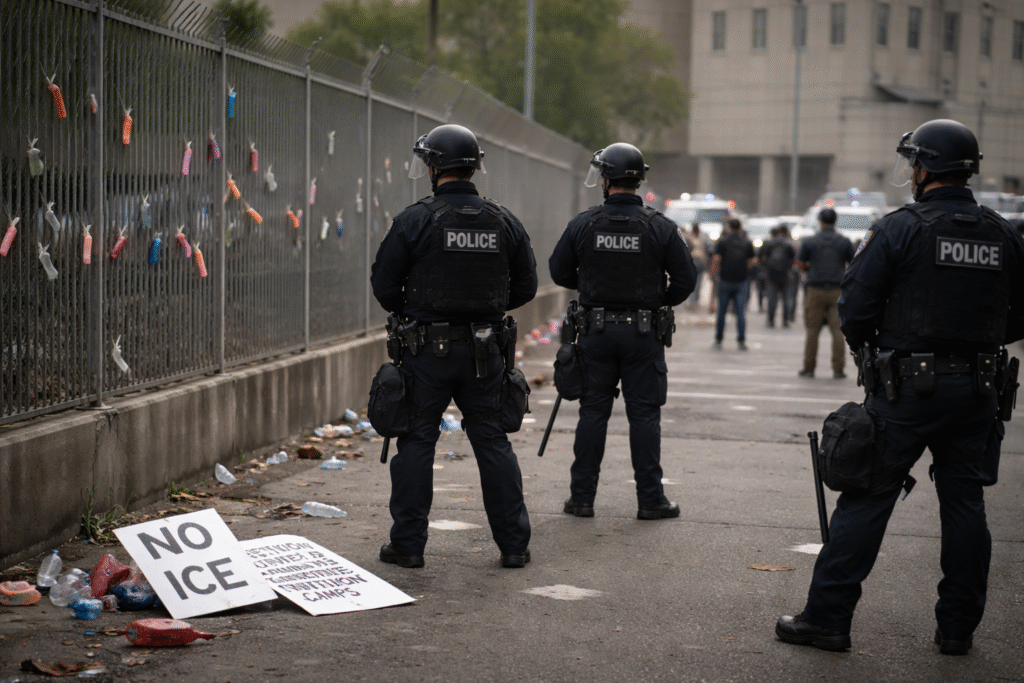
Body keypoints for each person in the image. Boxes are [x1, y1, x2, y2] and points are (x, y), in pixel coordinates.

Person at [776, 119, 1024, 654]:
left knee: (866, 499)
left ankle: (828, 618)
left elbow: (856, 307)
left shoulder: (900, 227)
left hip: (907, 388)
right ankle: (957, 629)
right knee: (965, 505)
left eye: (913, 162)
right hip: (979, 389)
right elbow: (1019, 318)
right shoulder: (1003, 233)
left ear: (925, 166)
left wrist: (890, 348)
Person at [370, 124, 538, 569]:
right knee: (492, 441)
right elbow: (525, 287)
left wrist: (421, 310)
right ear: (473, 167)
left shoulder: (415, 219)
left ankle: (407, 546)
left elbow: (384, 287)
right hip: (486, 352)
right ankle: (514, 546)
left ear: (433, 166)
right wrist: (484, 308)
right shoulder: (504, 221)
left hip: (427, 350)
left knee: (417, 441)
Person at [549, 143, 696, 520]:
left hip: (595, 333)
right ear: (638, 180)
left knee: (593, 413)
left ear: (606, 179)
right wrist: (655, 299)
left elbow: (559, 271)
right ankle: (650, 501)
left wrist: (592, 285)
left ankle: (581, 498)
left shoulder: (584, 223)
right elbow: (685, 279)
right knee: (644, 416)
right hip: (643, 334)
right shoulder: (660, 226)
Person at [796, 208, 855, 378]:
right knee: (837, 331)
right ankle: (838, 369)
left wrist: (810, 268)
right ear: (835, 221)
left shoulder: (810, 241)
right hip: (837, 289)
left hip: (815, 289)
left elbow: (800, 264)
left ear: (820, 221)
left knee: (812, 330)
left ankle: (809, 367)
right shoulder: (844, 241)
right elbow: (852, 264)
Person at [709, 217, 756, 350]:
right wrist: (746, 270)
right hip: (741, 281)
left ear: (729, 228)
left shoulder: (723, 242)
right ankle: (741, 340)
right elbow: (753, 261)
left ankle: (719, 339)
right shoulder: (746, 242)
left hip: (725, 281)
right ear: (740, 228)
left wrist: (713, 275)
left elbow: (716, 259)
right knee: (741, 312)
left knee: (722, 312)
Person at [759, 225, 797, 328]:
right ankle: (785, 320)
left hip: (772, 274)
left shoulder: (769, 243)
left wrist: (764, 269)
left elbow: (762, 257)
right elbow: (793, 258)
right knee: (786, 298)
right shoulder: (788, 244)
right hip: (785, 274)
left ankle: (771, 320)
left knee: (772, 299)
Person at [684, 223, 708, 310]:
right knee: (692, 283)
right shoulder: (689, 238)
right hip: (692, 261)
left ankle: (695, 301)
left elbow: (705, 251)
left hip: (700, 262)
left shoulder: (702, 238)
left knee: (698, 284)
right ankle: (692, 301)